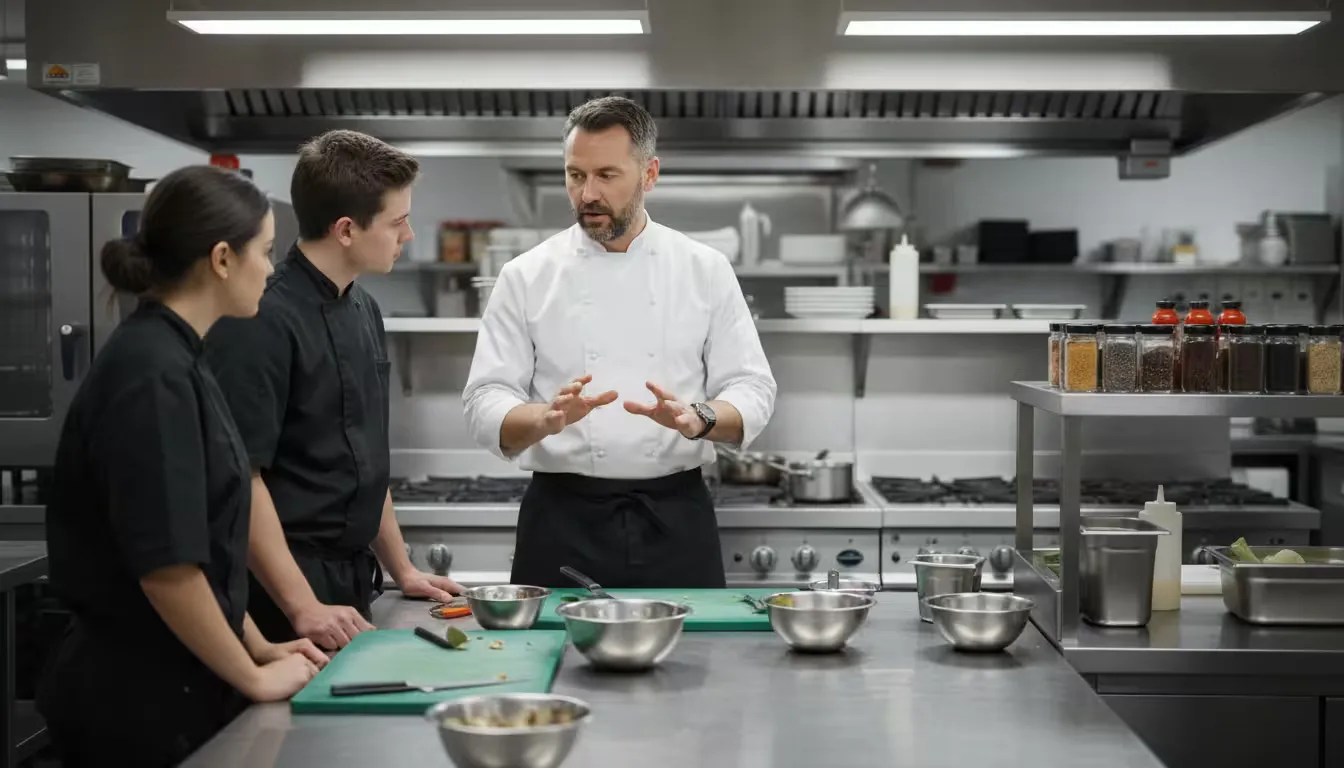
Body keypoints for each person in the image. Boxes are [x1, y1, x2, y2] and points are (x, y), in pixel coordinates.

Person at [38, 165, 329, 767]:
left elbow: (212, 560)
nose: (272, 270)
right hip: (133, 699)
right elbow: (168, 570)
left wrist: (259, 646)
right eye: (267, 252)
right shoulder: (151, 375)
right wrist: (252, 678)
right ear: (222, 258)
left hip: (178, 679)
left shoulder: (181, 356)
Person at [462, 96, 777, 589]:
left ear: (649, 174)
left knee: (695, 660)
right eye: (575, 175)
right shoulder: (526, 275)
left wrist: (702, 418)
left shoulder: (704, 269)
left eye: (607, 175)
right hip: (561, 523)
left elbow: (752, 387)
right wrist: (543, 419)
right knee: (551, 659)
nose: (587, 193)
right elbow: (484, 399)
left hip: (676, 519)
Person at [205, 130, 462, 651]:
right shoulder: (260, 317)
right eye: (397, 221)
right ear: (346, 230)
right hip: (280, 593)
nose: (408, 235)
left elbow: (367, 460)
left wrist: (403, 569)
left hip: (348, 586)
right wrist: (302, 606)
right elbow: (242, 480)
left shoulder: (364, 307)